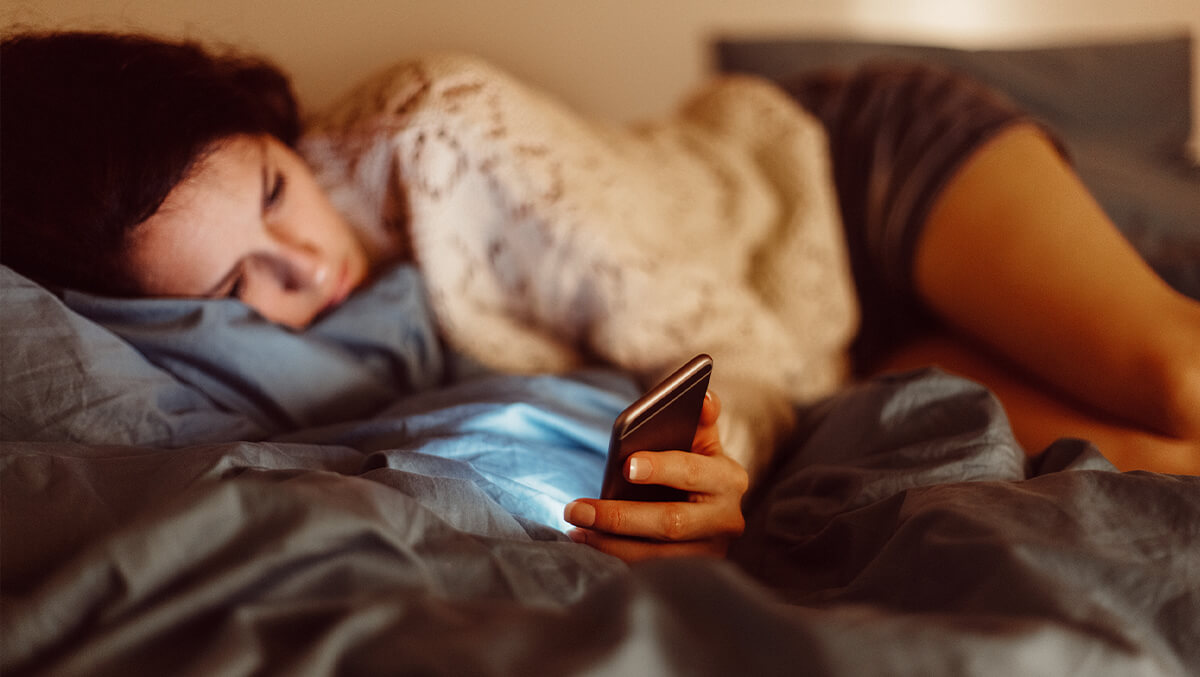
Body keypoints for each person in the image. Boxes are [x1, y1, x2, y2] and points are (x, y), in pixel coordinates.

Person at [1, 32, 1197, 563]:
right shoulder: (296, 349)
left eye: (273, 191)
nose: (303, 268)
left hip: (838, 183)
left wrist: (744, 464)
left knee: (1178, 378)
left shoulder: (443, 130)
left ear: (270, 120)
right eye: (234, 287)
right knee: (1149, 457)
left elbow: (726, 338)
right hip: (833, 340)